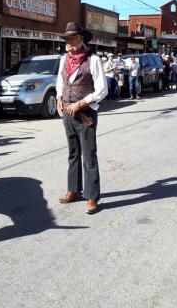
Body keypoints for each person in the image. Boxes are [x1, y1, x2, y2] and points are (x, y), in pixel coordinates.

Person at [56, 22, 108, 214]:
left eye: (72, 37)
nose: (68, 41)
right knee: (73, 154)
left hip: (85, 113)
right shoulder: (64, 59)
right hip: (67, 113)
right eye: (67, 38)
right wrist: (59, 97)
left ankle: (92, 196)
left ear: (81, 39)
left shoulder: (93, 60)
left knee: (89, 155)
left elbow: (102, 89)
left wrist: (81, 103)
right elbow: (60, 81)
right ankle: (73, 190)